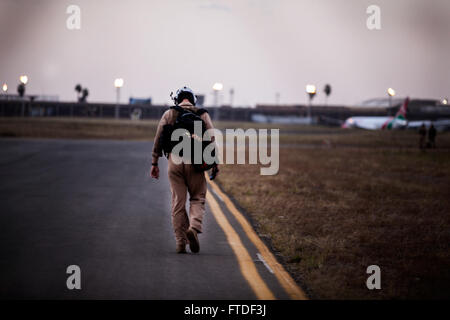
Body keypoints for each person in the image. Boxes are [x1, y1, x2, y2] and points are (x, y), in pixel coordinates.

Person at [150, 87, 219, 254]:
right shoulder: (202, 114)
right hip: (195, 161)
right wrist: (215, 163)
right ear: (193, 99)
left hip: (174, 161)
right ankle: (194, 228)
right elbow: (211, 139)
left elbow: (159, 138)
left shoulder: (169, 114)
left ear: (177, 99)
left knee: (178, 203)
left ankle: (181, 242)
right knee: (197, 197)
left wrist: (155, 162)